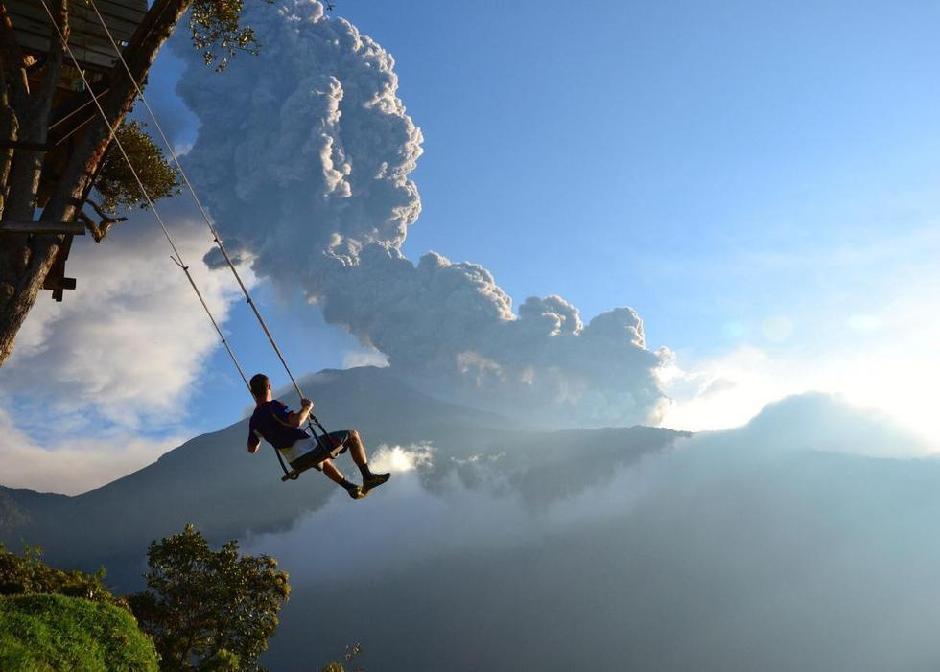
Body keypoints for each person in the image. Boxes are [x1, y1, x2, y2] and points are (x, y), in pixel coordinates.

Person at [245, 373, 389, 499]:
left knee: (323, 460)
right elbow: (296, 422)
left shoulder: (254, 421)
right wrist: (307, 407)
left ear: (252, 392)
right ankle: (368, 477)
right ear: (269, 386)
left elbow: (252, 448)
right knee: (353, 435)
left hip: (295, 461)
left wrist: (264, 432)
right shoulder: (274, 406)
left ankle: (349, 487)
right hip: (309, 449)